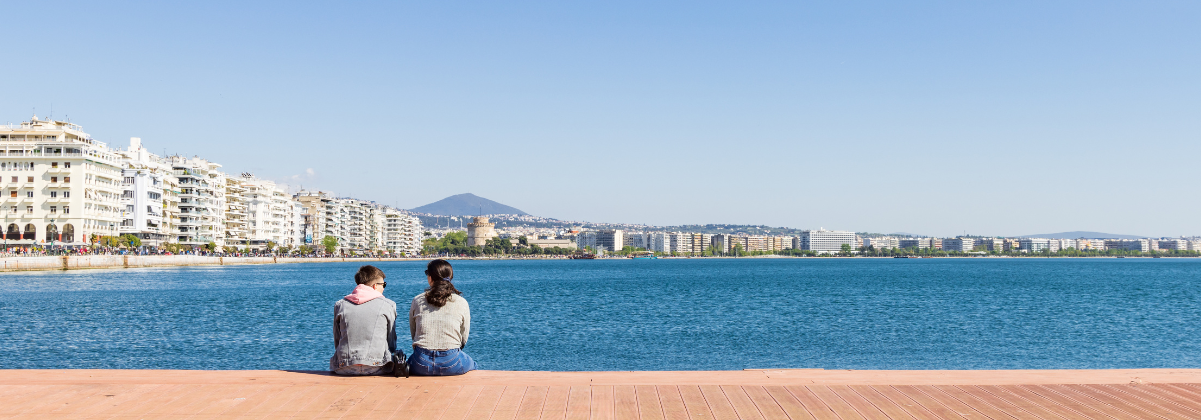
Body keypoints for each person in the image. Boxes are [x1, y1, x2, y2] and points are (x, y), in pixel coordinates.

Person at [331, 265, 407, 376]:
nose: (384, 288)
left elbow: (337, 338)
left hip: (344, 367)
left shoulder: (340, 305)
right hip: (377, 367)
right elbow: (391, 340)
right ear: (375, 286)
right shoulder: (388, 305)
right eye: (383, 284)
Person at [407, 259, 476, 376]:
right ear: (451, 277)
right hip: (451, 361)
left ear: (430, 278)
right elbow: (464, 337)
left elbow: (414, 333)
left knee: (408, 363)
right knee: (473, 364)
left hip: (421, 362)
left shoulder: (417, 300)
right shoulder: (461, 302)